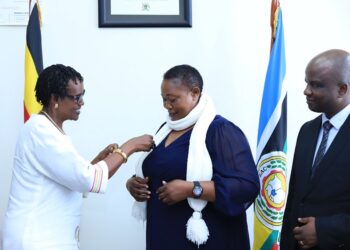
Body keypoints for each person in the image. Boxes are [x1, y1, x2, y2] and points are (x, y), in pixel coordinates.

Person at [1, 64, 154, 250]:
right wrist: (130, 146)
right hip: (37, 239)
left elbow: (71, 178)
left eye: (83, 95)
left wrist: (97, 162)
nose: (82, 102)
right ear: (55, 98)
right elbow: (87, 179)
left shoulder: (49, 130)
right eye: (76, 97)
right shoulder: (41, 131)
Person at [126, 64, 260, 250]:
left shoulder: (220, 131)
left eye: (172, 99)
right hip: (164, 235)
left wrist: (192, 189)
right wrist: (134, 184)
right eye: (164, 99)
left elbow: (246, 186)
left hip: (207, 241)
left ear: (195, 93)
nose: (167, 106)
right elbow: (163, 170)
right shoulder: (165, 130)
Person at [280, 49, 350, 249]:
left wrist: (324, 230)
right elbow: (295, 199)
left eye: (316, 85)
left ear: (342, 90)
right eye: (306, 82)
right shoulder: (307, 131)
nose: (306, 91)